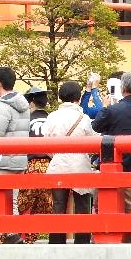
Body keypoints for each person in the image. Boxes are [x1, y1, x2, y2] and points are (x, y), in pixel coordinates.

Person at [90, 71, 131, 243]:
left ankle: (109, 237)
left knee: (108, 201)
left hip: (112, 163)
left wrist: (104, 106)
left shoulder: (112, 110)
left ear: (122, 87)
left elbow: (96, 126)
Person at [44, 80, 96, 244]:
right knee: (82, 207)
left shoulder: (52, 116)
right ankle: (82, 242)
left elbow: (46, 142)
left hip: (58, 163)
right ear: (78, 98)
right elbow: (92, 142)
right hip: (80, 164)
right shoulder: (84, 118)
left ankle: (56, 243)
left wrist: (57, 155)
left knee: (58, 206)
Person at [0, 66, 29, 243]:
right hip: (19, 158)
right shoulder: (23, 105)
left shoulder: (2, 107)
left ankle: (6, 233)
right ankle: (10, 232)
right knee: (12, 199)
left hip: (2, 160)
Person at [15, 86, 52, 244]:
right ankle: (38, 237)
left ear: (30, 103)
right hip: (50, 167)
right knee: (46, 205)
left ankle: (22, 237)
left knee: (23, 203)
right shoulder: (52, 118)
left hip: (29, 165)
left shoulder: (25, 121)